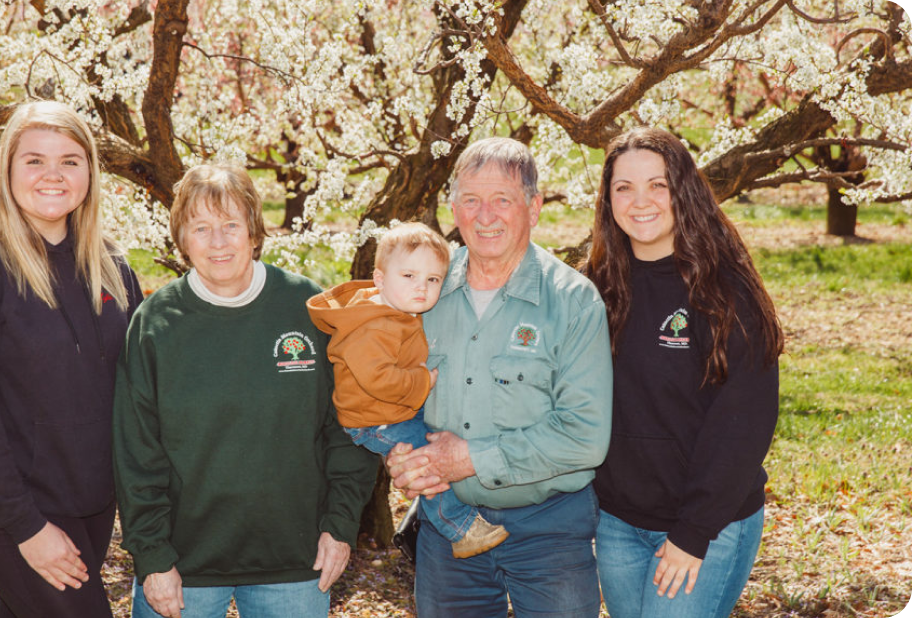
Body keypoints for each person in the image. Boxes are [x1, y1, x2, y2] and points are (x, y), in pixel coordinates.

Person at [112, 164, 379, 618]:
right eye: (201, 228)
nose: (218, 241)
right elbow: (135, 453)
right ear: (182, 239)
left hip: (295, 563)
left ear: (254, 232)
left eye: (231, 225)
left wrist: (340, 525)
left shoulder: (305, 308)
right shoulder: (155, 324)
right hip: (183, 567)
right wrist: (152, 555)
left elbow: (349, 424)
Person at [0, 100, 143, 618]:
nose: (53, 175)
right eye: (34, 160)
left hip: (91, 497)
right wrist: (26, 527)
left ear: (90, 171)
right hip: (11, 505)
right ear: (7, 167)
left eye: (70, 160)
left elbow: (137, 380)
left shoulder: (108, 262)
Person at [386, 137, 614, 617]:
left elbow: (585, 436)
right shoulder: (422, 291)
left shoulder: (573, 301)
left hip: (550, 530)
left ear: (534, 208)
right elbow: (389, 388)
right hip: (448, 528)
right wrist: (402, 455)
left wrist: (469, 458)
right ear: (453, 208)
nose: (484, 216)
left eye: (502, 200)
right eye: (471, 200)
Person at [582, 127, 784, 618]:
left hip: (706, 526)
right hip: (618, 522)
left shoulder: (725, 292)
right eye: (624, 187)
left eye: (658, 184)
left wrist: (692, 533)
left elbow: (745, 423)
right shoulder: (595, 289)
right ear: (608, 200)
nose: (640, 201)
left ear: (684, 190)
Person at [307, 222, 509, 559]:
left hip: (392, 408)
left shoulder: (396, 311)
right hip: (374, 418)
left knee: (443, 439)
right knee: (426, 459)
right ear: (380, 279)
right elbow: (377, 379)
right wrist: (422, 381)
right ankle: (459, 528)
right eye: (409, 276)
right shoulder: (372, 325)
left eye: (433, 280)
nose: (421, 287)